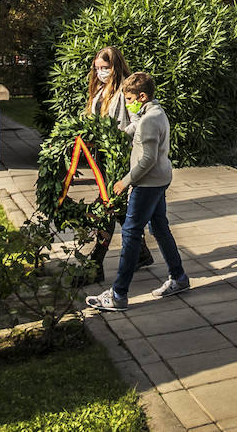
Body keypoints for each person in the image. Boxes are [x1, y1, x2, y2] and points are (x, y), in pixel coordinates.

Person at [87, 71, 188, 311]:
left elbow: (148, 160)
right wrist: (112, 137)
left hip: (148, 183)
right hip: (159, 180)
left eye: (130, 99)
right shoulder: (153, 113)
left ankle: (118, 294)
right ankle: (179, 277)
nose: (127, 103)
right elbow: (134, 129)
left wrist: (125, 181)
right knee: (160, 228)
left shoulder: (149, 120)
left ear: (142, 96)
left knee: (131, 234)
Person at [84, 46, 148, 282]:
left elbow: (137, 120)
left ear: (115, 66)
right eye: (98, 68)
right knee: (117, 206)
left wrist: (119, 136)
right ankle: (141, 252)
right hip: (101, 154)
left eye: (105, 68)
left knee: (108, 205)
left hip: (118, 155)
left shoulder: (124, 90)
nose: (101, 72)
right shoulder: (99, 90)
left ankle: (95, 264)